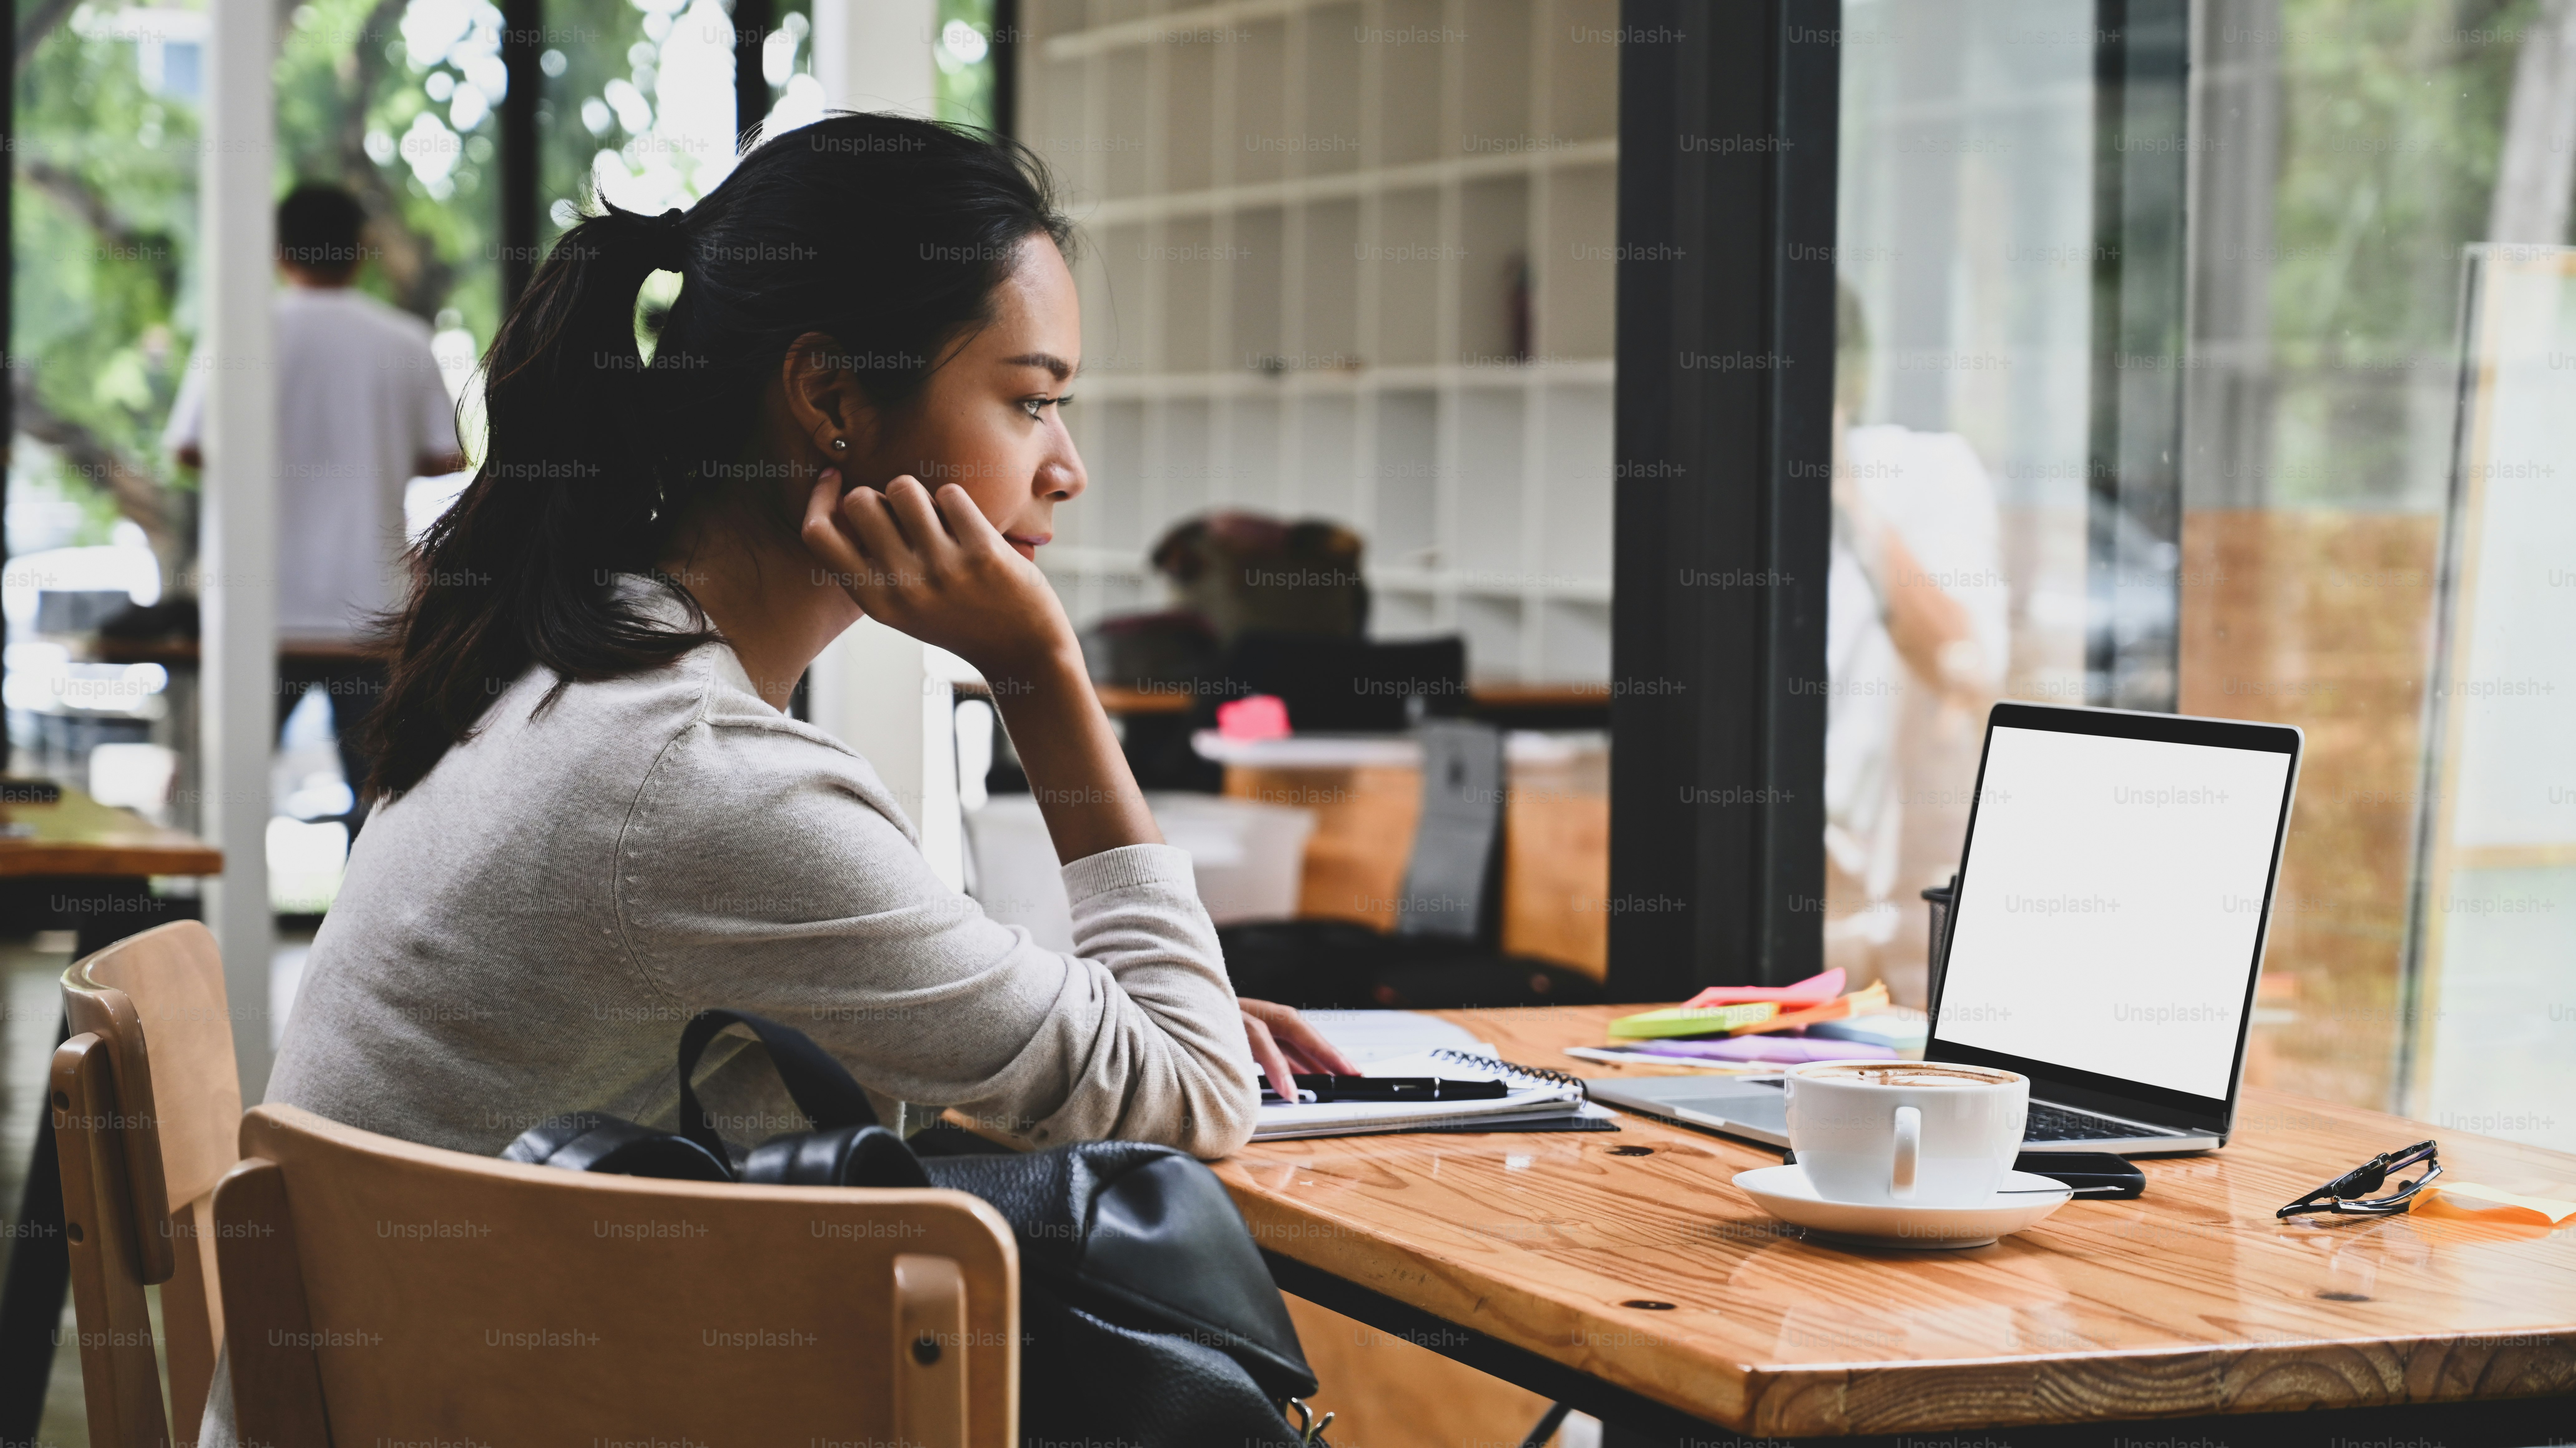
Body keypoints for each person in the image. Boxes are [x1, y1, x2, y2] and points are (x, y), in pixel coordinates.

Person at [258, 110, 1352, 1191]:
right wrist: (1040, 673)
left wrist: (1097, 1018)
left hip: (401, 1361)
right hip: (520, 1369)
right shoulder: (699, 778)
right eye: (1030, 401)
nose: (1066, 467)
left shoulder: (563, 672)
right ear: (831, 394)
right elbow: (1200, 1097)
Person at [163, 183, 468, 826]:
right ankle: (365, 932)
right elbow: (448, 457)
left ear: (278, 253)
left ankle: (203, 928)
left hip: (255, 608)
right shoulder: (404, 341)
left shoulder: (240, 335)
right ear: (362, 252)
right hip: (368, 610)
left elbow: (187, 450)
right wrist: (373, 448)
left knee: (222, 808)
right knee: (382, 807)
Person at [1823, 282, 2011, 1005]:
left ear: (1857, 380)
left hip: (1861, 915)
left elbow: (1968, 666)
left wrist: (1846, 499)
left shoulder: (1923, 474)